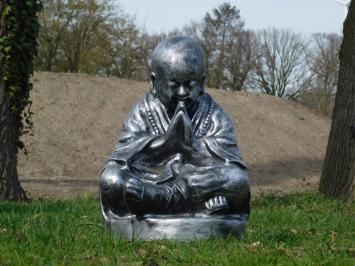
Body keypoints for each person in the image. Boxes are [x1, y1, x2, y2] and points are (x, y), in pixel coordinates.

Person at [100, 36, 250, 218]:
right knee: (112, 179)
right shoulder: (143, 111)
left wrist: (193, 145)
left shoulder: (214, 114)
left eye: (189, 85)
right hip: (151, 179)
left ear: (202, 84)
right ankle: (193, 204)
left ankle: (156, 200)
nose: (182, 93)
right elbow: (122, 157)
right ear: (154, 84)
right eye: (174, 85)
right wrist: (166, 142)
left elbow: (230, 160)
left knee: (237, 179)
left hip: (196, 180)